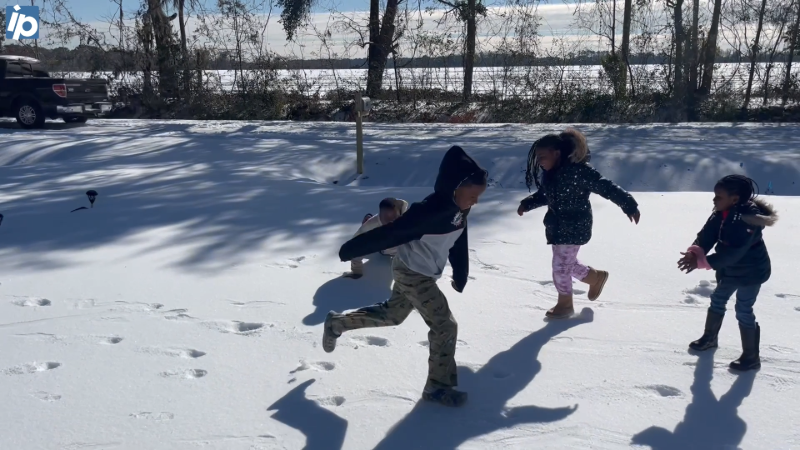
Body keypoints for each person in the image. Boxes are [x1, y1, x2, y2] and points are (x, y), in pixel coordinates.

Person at [322, 145, 488, 407]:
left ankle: (337, 324)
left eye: (479, 196)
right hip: (413, 273)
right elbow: (392, 233)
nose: (475, 201)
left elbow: (459, 237)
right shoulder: (428, 212)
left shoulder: (459, 209)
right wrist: (351, 250)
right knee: (445, 325)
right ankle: (437, 387)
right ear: (455, 186)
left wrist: (461, 271)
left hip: (420, 271)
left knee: (393, 315)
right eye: (473, 195)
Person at [517, 128, 640, 319]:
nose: (539, 161)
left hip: (575, 226)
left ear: (556, 153)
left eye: (542, 156)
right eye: (537, 157)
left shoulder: (580, 172)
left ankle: (565, 305)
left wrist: (628, 204)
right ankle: (596, 278)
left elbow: (606, 186)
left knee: (560, 267)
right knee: (568, 264)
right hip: (557, 227)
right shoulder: (550, 174)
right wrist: (528, 203)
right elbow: (544, 196)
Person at [678, 175, 778, 371]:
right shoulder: (721, 213)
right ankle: (709, 338)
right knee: (717, 299)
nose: (714, 200)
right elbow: (706, 235)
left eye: (718, 197)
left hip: (751, 272)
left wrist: (702, 262)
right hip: (730, 270)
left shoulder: (748, 221)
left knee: (743, 310)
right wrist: (694, 252)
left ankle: (751, 357)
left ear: (735, 199)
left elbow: (733, 252)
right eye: (715, 196)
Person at [343, 197, 409, 279]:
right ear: (380, 215)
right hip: (382, 247)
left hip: (401, 251)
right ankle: (367, 219)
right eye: (386, 217)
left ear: (398, 213)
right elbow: (356, 247)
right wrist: (357, 271)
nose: (390, 221)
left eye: (393, 216)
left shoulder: (408, 219)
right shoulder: (372, 224)